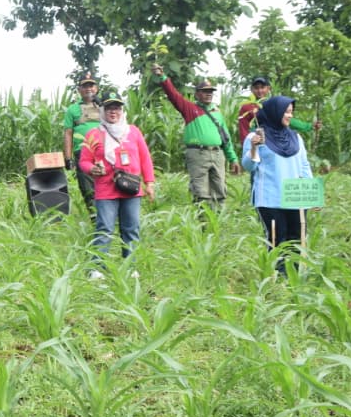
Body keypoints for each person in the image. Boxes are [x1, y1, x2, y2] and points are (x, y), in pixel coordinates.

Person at [77, 91, 156, 271]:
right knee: (104, 228)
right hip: (106, 189)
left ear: (122, 110)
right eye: (109, 108)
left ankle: (130, 266)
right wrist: (93, 169)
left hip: (131, 188)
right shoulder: (93, 134)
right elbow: (84, 161)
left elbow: (145, 158)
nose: (114, 112)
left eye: (117, 108)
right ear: (103, 110)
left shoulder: (133, 132)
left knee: (131, 228)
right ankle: (97, 268)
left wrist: (150, 182)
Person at [151, 64, 240, 209]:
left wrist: (233, 158)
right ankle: (203, 225)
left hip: (217, 154)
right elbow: (174, 95)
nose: (208, 94)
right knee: (201, 192)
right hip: (198, 154)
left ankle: (217, 223)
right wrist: (162, 77)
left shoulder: (217, 113)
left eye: (210, 91)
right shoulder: (190, 109)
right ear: (197, 94)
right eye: (205, 91)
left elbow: (226, 138)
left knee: (220, 189)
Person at [241, 95, 313, 272]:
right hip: (270, 198)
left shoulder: (296, 138)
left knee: (296, 238)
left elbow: (304, 166)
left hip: (295, 196)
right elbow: (249, 166)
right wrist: (254, 147)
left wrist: (313, 194)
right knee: (277, 240)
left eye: (291, 112)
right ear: (275, 112)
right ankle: (277, 281)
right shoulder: (256, 136)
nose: (289, 116)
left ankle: (294, 277)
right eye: (286, 112)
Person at [62, 72, 103, 213]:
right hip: (83, 153)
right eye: (85, 86)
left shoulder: (104, 106)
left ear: (96, 88)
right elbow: (68, 134)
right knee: (88, 190)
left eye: (91, 86)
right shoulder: (73, 109)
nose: (88, 89)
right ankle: (96, 221)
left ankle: (110, 218)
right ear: (79, 90)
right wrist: (68, 158)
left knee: (107, 187)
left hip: (104, 152)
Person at [236, 75, 319, 143]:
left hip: (274, 143)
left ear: (268, 89)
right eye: (256, 88)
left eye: (262, 87)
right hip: (256, 143)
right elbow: (243, 129)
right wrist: (247, 146)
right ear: (252, 89)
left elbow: (289, 120)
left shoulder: (273, 104)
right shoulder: (247, 107)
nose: (260, 90)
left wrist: (309, 126)